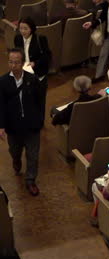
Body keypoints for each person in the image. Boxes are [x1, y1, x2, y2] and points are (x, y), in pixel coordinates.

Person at [0, 49, 44, 196]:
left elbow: (40, 101)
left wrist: (40, 120)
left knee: (33, 155)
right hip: (13, 127)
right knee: (15, 151)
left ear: (22, 63)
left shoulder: (32, 79)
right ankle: (16, 162)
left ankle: (31, 180)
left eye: (17, 62)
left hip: (32, 125)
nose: (13, 65)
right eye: (11, 62)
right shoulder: (3, 82)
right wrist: (1, 126)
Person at [14, 17, 51, 118]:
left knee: (40, 100)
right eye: (21, 28)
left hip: (38, 74)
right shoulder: (17, 38)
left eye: (25, 28)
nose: (23, 31)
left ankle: (40, 121)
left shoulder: (40, 38)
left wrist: (35, 63)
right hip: (24, 74)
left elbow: (47, 56)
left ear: (32, 29)